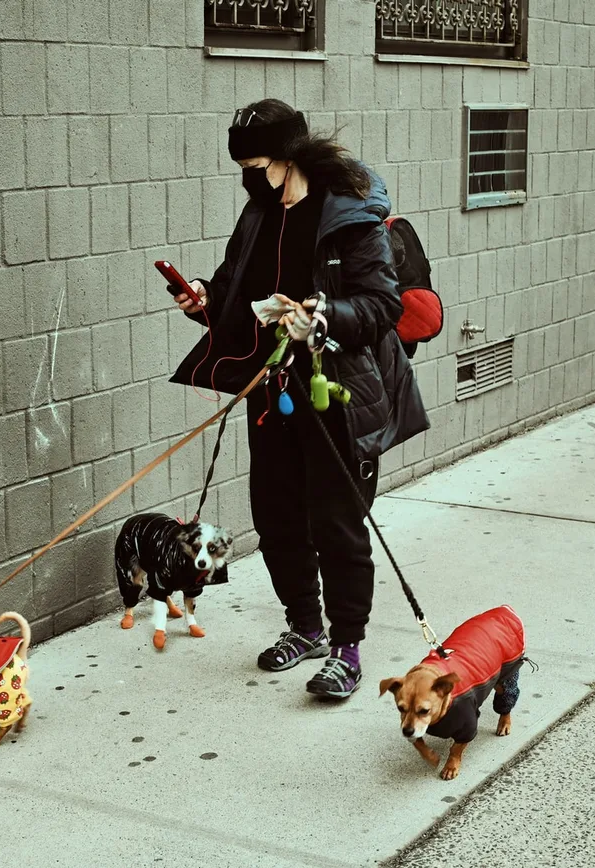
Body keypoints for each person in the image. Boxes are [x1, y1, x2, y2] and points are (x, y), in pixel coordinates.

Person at [168, 99, 429, 699]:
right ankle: (305, 627)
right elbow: (234, 285)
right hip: (274, 392)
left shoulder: (350, 214)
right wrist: (205, 297)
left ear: (289, 159)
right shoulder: (258, 214)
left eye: (256, 164)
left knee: (336, 524)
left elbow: (381, 305)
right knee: (277, 518)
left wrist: (322, 314)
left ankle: (348, 648)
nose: (248, 177)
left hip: (335, 392)